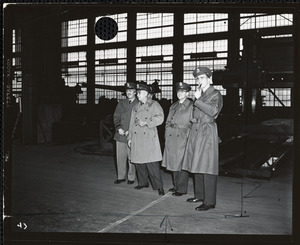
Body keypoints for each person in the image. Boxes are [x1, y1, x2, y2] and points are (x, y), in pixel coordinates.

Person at [181, 67, 223, 211]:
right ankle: (199, 195)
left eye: (202, 77)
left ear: (210, 79)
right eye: (197, 78)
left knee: (207, 166)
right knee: (196, 164)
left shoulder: (215, 94)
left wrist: (198, 99)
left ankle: (210, 201)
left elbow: (212, 111)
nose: (199, 80)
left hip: (207, 132)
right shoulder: (200, 94)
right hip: (196, 131)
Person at [127, 82, 165, 196]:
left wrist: (147, 123)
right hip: (137, 138)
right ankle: (143, 183)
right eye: (137, 93)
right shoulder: (136, 107)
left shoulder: (154, 105)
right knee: (139, 163)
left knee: (152, 164)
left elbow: (160, 118)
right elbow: (131, 123)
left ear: (147, 94)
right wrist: (130, 138)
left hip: (149, 138)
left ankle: (159, 187)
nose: (138, 95)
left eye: (140, 92)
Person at [162, 82, 193, 195]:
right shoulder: (173, 106)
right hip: (171, 137)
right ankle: (176, 185)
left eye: (183, 91)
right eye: (178, 91)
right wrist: (166, 135)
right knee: (174, 163)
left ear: (187, 93)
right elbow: (167, 122)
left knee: (182, 164)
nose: (180, 93)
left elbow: (192, 124)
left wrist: (188, 137)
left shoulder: (191, 106)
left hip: (183, 138)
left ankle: (182, 189)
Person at [113, 82, 138, 185]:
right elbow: (116, 116)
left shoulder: (138, 103)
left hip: (131, 134)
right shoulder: (121, 102)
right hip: (120, 133)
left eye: (131, 91)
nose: (129, 92)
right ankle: (121, 176)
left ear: (135, 92)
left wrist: (130, 130)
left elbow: (138, 119)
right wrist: (118, 127)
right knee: (120, 156)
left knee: (131, 157)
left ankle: (131, 178)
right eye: (127, 91)